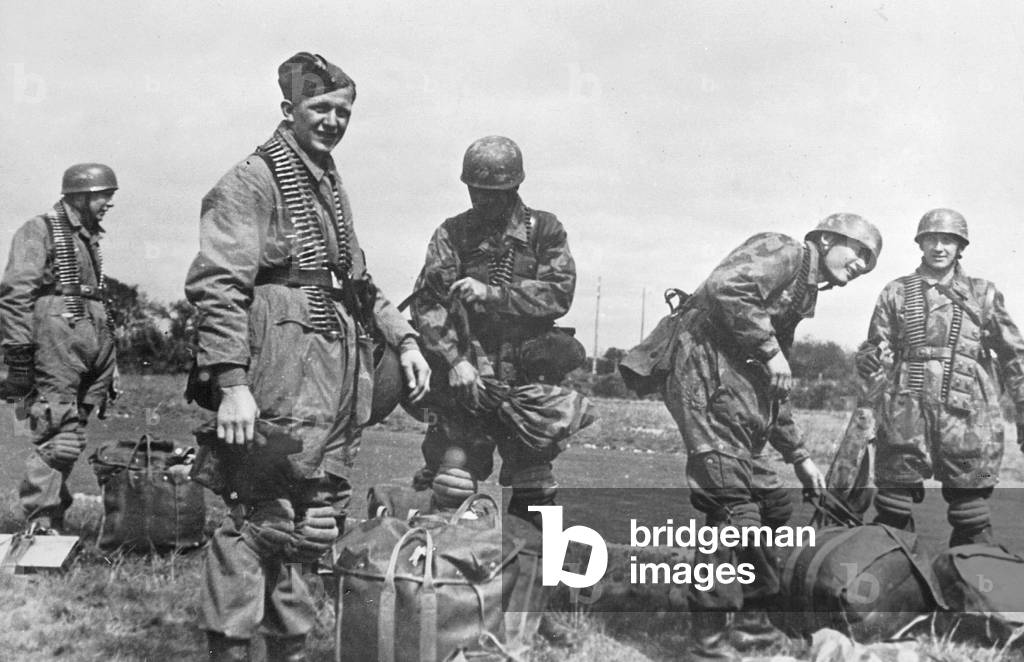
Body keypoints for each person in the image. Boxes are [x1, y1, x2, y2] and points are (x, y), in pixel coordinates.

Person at [184, 52, 430, 662]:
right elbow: (218, 285)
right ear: (288, 109)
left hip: (333, 381)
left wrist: (405, 339)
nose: (333, 120)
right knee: (255, 521)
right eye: (320, 108)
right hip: (274, 374)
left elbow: (360, 283)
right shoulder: (251, 181)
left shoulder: (327, 183)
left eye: (343, 111)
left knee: (313, 522)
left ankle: (288, 651)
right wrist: (232, 382)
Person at [661, 214, 882, 662]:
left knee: (772, 505)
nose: (860, 263)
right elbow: (726, 285)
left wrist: (798, 454)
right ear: (823, 239)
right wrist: (769, 349)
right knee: (735, 508)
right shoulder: (787, 251)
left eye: (868, 260)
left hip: (733, 395)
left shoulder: (800, 293)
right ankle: (712, 643)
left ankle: (755, 620)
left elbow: (773, 384)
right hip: (701, 379)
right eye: (855, 250)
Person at [406, 135, 588, 526]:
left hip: (526, 383)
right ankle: (442, 579)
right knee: (452, 479)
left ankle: (548, 582)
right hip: (468, 380)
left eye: (493, 192)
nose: (482, 200)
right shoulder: (452, 234)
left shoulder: (545, 230)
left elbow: (559, 293)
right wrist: (454, 361)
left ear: (514, 187)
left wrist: (494, 294)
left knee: (535, 489)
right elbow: (428, 302)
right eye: (475, 191)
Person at [856, 209, 1024, 549]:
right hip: (905, 409)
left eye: (948, 240)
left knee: (974, 498)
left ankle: (973, 581)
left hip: (970, 417)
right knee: (893, 498)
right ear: (920, 243)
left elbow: (1014, 355)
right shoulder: (897, 292)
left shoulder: (983, 294)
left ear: (960, 246)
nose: (939, 246)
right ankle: (895, 578)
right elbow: (874, 347)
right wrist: (869, 358)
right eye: (931, 238)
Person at [0, 163, 120, 535]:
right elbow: (15, 293)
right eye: (103, 196)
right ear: (79, 195)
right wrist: (19, 351)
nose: (108, 204)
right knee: (58, 433)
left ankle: (52, 518)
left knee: (75, 431)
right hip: (57, 338)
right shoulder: (40, 229)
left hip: (89, 338)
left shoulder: (87, 238)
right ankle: (40, 527)